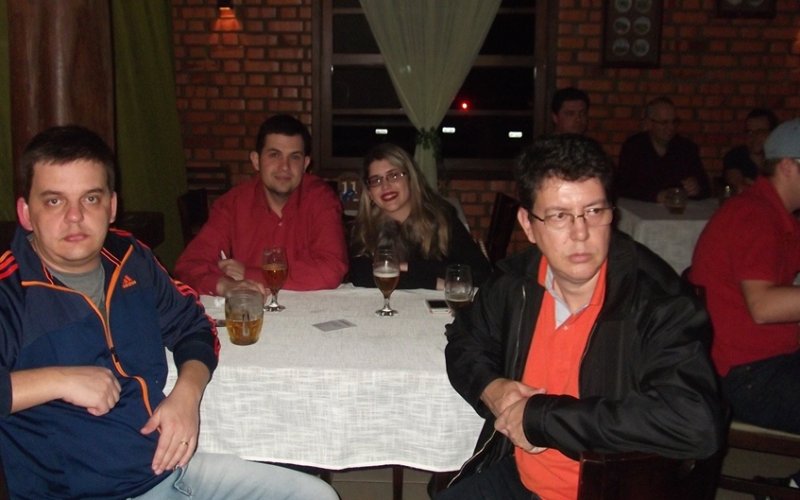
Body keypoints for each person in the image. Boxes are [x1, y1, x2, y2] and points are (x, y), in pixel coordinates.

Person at [0, 125, 338, 499]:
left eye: (91, 198)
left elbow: (193, 324)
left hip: (170, 470)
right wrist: (59, 380)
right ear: (25, 213)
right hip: (83, 492)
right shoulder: (10, 288)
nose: (75, 216)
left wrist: (187, 394)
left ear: (112, 207)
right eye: (54, 201)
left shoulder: (130, 257)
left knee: (316, 495)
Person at [438, 134, 723, 500]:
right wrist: (492, 388)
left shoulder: (657, 301)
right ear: (528, 224)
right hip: (521, 479)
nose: (580, 233)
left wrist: (540, 419)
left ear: (612, 213)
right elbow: (463, 342)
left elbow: (695, 422)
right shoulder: (515, 284)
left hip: (614, 491)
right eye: (559, 216)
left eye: (594, 211)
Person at [691, 118, 800, 434]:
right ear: (788, 167)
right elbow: (763, 306)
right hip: (747, 375)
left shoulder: (774, 213)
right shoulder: (753, 216)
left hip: (771, 359)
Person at [174, 114, 348, 296]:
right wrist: (224, 285)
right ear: (256, 161)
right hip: (253, 308)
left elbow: (332, 268)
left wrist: (250, 274)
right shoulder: (232, 204)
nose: (285, 167)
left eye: (294, 157)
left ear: (305, 164)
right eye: (274, 155)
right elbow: (188, 266)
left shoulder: (321, 199)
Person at [348, 143, 490, 290]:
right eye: (376, 180)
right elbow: (358, 274)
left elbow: (480, 273)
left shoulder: (441, 218)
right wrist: (433, 282)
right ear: (369, 193)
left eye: (394, 175)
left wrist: (405, 266)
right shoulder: (365, 226)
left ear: (411, 179)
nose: (385, 186)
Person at [616, 96, 711, 203]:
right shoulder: (634, 147)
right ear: (649, 124)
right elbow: (622, 187)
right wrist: (656, 196)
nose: (671, 127)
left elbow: (706, 188)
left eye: (674, 122)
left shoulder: (686, 148)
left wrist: (696, 188)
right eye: (664, 122)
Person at [722, 107, 778, 194]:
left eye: (760, 132)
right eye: (749, 132)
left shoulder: (781, 157)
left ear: (773, 133)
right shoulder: (735, 156)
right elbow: (738, 185)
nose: (753, 137)